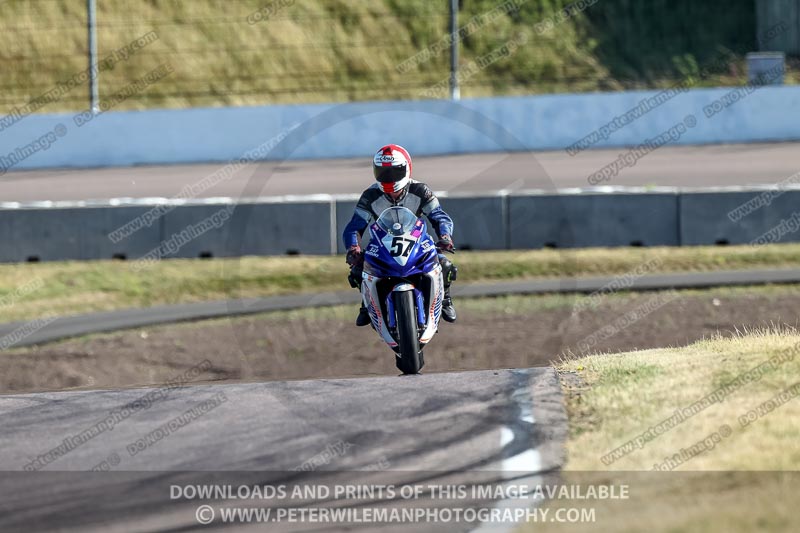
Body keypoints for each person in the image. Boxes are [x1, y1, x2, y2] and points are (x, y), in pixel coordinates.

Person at [342, 144, 458, 326]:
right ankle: (366, 305)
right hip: (382, 245)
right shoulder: (369, 196)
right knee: (358, 271)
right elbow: (354, 227)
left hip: (417, 242)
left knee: (445, 264)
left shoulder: (421, 191)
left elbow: (439, 217)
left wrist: (445, 236)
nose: (388, 178)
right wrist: (353, 248)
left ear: (407, 168)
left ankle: (445, 300)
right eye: (382, 172)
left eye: (394, 172)